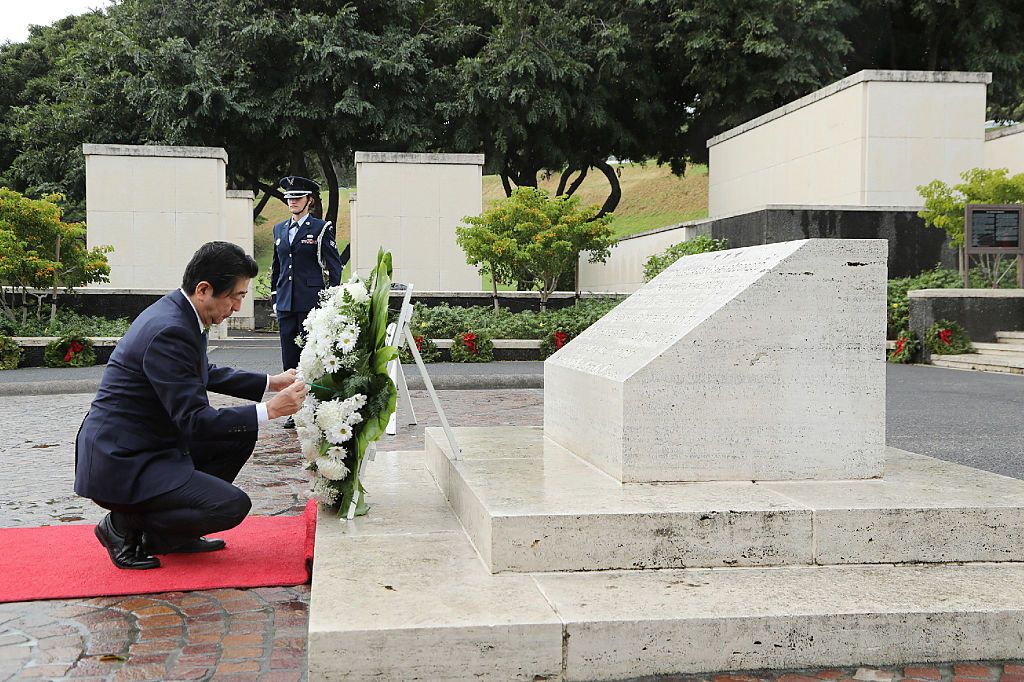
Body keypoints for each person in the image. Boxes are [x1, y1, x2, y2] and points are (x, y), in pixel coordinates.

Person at [75, 241, 309, 570]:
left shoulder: (180, 312)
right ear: (204, 289)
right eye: (236, 296)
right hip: (123, 459)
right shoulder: (171, 328)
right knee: (231, 506)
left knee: (237, 434)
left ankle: (171, 536)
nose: (238, 307)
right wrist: (270, 410)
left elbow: (202, 372)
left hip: (147, 444)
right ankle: (121, 525)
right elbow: (196, 421)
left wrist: (269, 382)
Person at [271, 175, 342, 428]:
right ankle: (294, 409)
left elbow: (334, 268)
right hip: (286, 302)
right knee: (289, 358)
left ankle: (313, 408)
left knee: (310, 357)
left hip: (311, 302)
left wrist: (331, 300)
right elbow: (276, 267)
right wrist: (274, 296)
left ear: (309, 200)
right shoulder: (279, 229)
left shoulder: (320, 229)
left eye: (297, 197)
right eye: (289, 197)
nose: (292, 201)